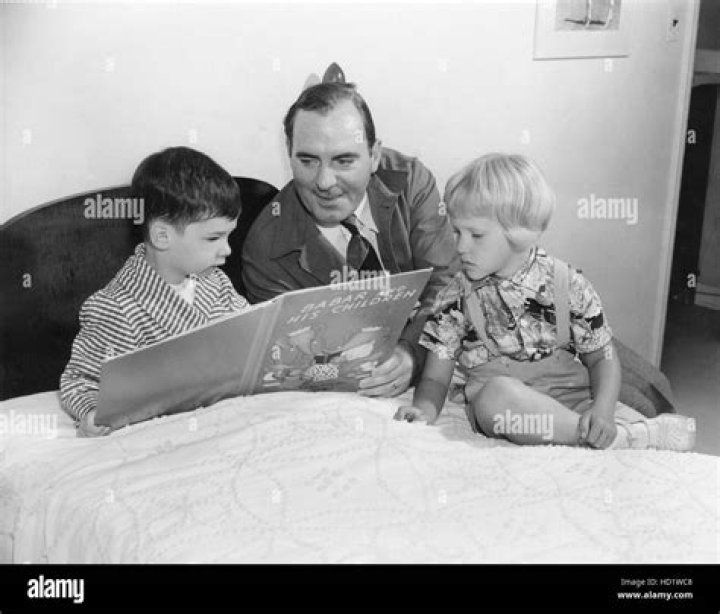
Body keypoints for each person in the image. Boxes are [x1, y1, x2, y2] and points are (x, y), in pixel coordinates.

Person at [394, 153, 695, 451]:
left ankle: (607, 431)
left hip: (574, 402)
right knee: (495, 397)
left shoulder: (568, 284)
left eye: (476, 235)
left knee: (630, 410)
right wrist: (424, 410)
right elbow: (435, 378)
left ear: (518, 233)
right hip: (506, 409)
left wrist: (602, 411)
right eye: (456, 232)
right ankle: (617, 439)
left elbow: (602, 357)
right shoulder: (454, 297)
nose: (460, 246)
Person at [242, 82, 460, 397]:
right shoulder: (266, 247)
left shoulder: (410, 181)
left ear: (374, 155)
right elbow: (285, 356)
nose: (324, 182)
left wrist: (412, 354)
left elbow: (447, 285)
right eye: (307, 161)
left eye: (343, 161)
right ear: (289, 154)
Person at [60, 146, 250, 437]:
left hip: (222, 420)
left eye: (229, 236)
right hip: (162, 433)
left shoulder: (217, 283)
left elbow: (249, 335)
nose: (227, 250)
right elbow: (80, 380)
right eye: (214, 238)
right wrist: (91, 412)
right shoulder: (115, 308)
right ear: (162, 236)